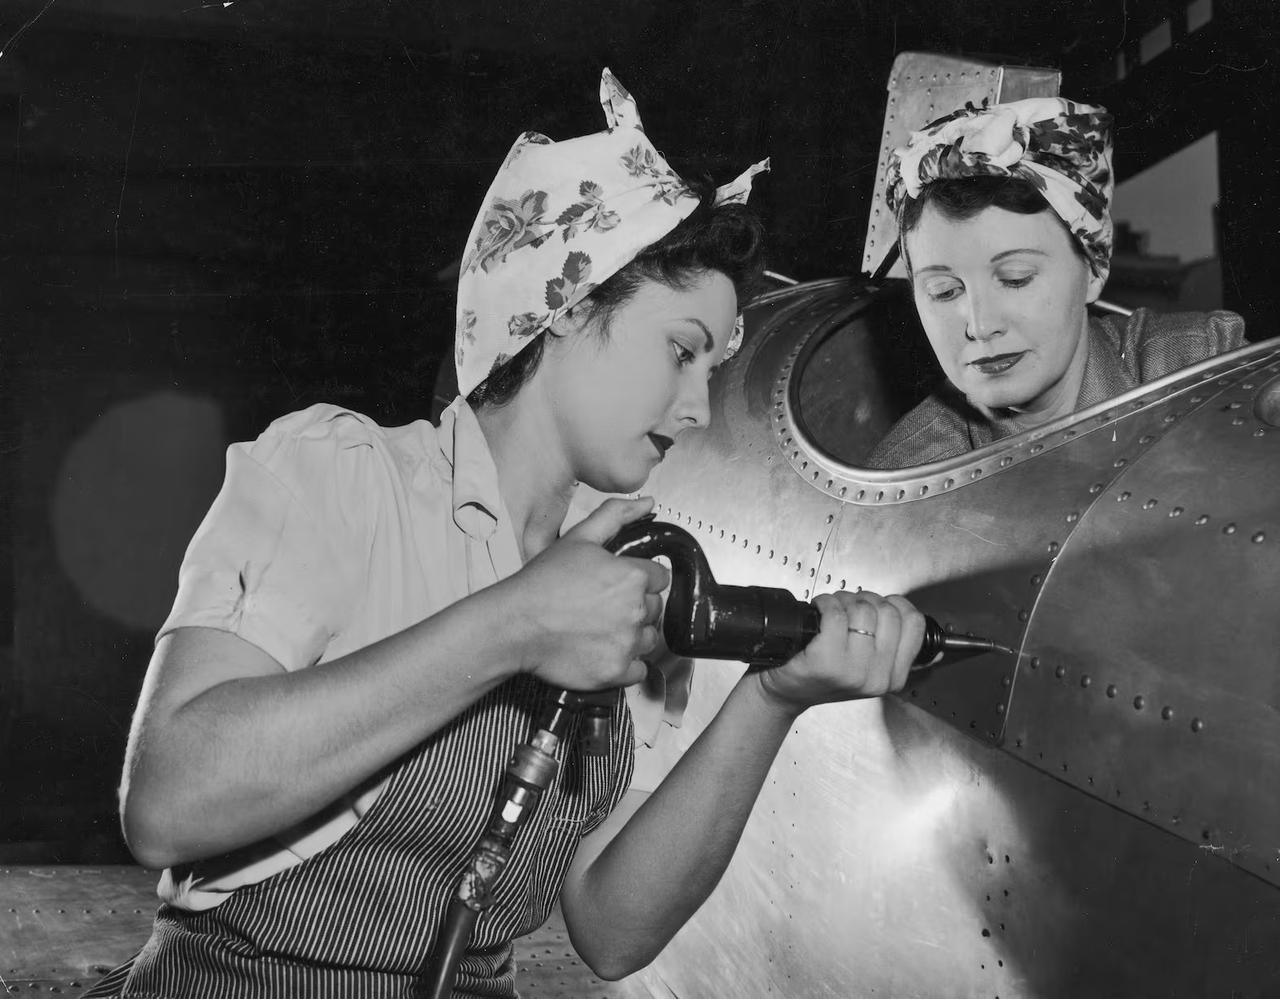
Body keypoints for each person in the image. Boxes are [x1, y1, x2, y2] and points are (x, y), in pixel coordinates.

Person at [90, 70, 926, 998]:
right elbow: (166, 802)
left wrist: (772, 700)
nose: (696, 409)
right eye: (682, 352)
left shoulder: (631, 575)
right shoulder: (339, 475)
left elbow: (610, 929)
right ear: (569, 301)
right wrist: (514, 624)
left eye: (714, 371)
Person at [864, 97, 1246, 469]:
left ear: (1093, 270)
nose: (981, 327)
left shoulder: (1207, 366)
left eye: (1016, 279)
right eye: (944, 291)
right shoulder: (908, 477)